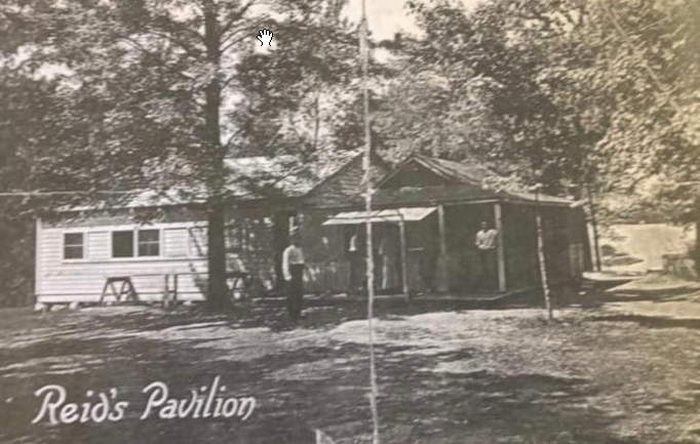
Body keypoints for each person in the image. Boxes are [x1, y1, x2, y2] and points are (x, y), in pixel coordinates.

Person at [282, 234, 305, 321]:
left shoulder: (300, 249)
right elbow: (285, 264)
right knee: (291, 294)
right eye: (295, 239)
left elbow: (301, 261)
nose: (297, 240)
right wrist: (287, 275)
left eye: (298, 238)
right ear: (291, 240)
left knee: (299, 293)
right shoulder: (288, 250)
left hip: (299, 271)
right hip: (292, 271)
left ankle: (298, 312)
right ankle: (291, 313)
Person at [475, 220, 498, 291]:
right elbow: (478, 243)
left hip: (491, 251)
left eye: (486, 224)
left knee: (491, 268)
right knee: (484, 268)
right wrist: (482, 247)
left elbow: (498, 234)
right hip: (483, 251)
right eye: (483, 225)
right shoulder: (479, 233)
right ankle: (486, 286)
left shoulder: (492, 232)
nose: (484, 226)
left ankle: (494, 286)